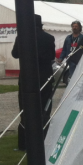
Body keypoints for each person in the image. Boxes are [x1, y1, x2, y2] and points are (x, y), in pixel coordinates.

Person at [12, 14, 56, 150]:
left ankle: (24, 143)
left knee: (25, 110)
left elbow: (15, 54)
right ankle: (43, 140)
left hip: (26, 78)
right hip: (44, 78)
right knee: (44, 109)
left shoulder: (22, 37)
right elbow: (51, 56)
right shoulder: (49, 38)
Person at [60, 20, 83, 85]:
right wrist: (61, 58)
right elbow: (64, 49)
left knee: (79, 76)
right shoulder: (68, 38)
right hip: (71, 60)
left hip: (79, 60)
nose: (74, 27)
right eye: (73, 26)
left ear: (79, 27)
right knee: (72, 75)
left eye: (76, 26)